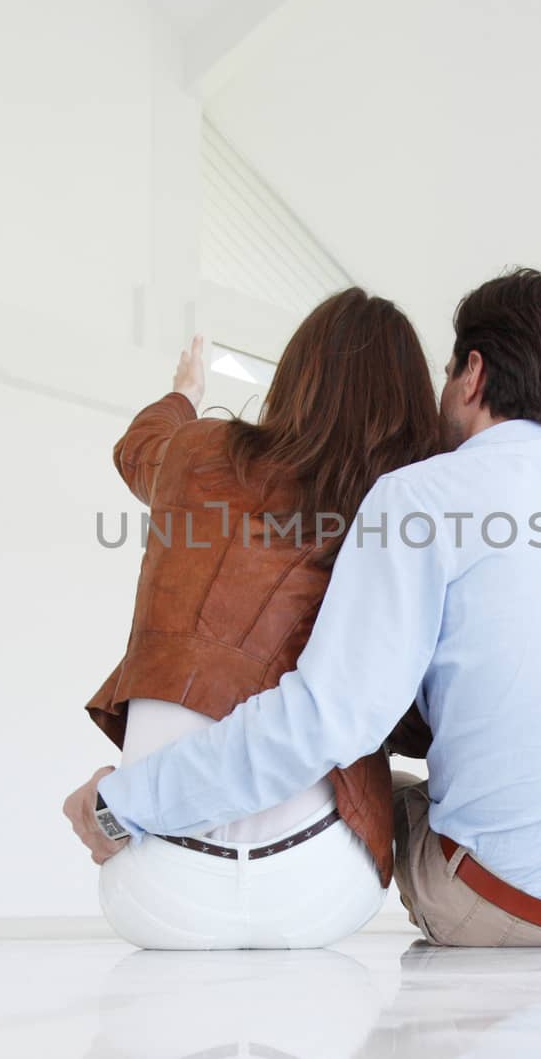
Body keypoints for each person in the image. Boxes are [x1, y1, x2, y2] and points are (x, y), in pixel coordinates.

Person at [66, 268, 541, 947]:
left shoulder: (419, 498)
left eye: (449, 368)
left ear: (472, 375)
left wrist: (122, 804)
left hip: (498, 908)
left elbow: (326, 720)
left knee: (354, 753)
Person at [73, 288, 442, 949]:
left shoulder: (194, 453)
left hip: (150, 890)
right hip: (324, 893)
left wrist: (184, 392)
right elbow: (408, 722)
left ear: (296, 376)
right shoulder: (399, 515)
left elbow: (137, 446)